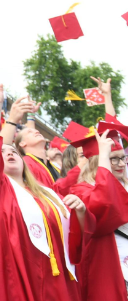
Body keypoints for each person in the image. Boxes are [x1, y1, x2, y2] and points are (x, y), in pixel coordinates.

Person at [0, 76, 84, 301]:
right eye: (2, 152)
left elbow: (75, 236)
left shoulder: (46, 193)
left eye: (13, 151)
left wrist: (81, 212)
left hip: (55, 281)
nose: (8, 152)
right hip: (17, 281)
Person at [67, 129, 128, 301]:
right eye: (113, 158)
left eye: (122, 158)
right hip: (107, 265)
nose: (121, 164)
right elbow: (104, 206)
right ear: (96, 161)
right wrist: (103, 158)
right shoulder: (80, 190)